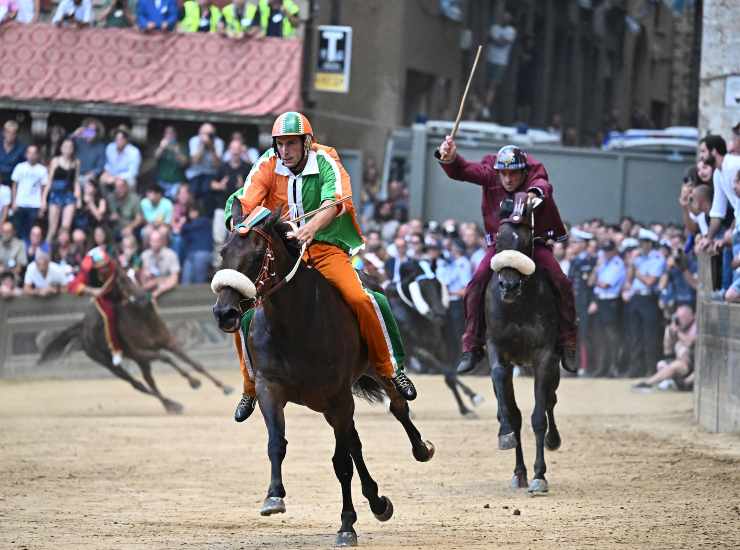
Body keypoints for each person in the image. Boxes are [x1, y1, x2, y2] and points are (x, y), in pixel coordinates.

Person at [224, 111, 417, 421]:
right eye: (280, 144)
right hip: (284, 252)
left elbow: (335, 202)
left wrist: (311, 228)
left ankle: (391, 370)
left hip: (325, 248)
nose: (284, 151)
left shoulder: (326, 160)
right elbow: (245, 201)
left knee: (362, 298)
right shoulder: (267, 163)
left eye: (291, 144)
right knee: (243, 306)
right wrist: (239, 224)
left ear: (307, 142)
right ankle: (249, 387)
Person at [436, 138, 576, 373]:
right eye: (504, 174)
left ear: (523, 171)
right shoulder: (489, 174)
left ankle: (568, 341)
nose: (508, 179)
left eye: (513, 173)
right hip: (499, 247)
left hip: (533, 245)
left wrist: (534, 193)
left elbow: (543, 185)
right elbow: (462, 170)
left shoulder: (534, 176)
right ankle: (471, 345)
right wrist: (448, 157)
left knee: (561, 281)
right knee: (476, 283)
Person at [68, 246, 124, 365]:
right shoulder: (87, 270)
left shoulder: (112, 265)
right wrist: (92, 291)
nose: (104, 268)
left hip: (115, 289)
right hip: (100, 295)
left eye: (105, 265)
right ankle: (116, 349)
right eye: (100, 267)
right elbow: (73, 286)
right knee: (109, 315)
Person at [622, 229, 666, 378]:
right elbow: (629, 281)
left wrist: (637, 271)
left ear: (649, 243)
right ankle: (635, 368)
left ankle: (650, 369)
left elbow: (650, 281)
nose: (640, 246)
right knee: (635, 336)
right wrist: (632, 266)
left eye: (643, 243)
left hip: (649, 299)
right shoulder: (638, 259)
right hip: (636, 298)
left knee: (650, 336)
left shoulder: (657, 259)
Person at [632, 305, 696, 392]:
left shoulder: (695, 326)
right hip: (678, 360)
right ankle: (669, 383)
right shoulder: (680, 326)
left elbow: (689, 342)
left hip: (691, 365)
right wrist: (670, 332)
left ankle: (648, 383)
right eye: (678, 317)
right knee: (662, 364)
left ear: (690, 316)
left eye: (682, 317)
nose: (679, 320)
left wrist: (677, 332)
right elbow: (668, 351)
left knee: (674, 366)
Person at [587, 240, 626, 377]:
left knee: (612, 337)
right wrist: (596, 268)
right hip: (600, 301)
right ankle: (601, 367)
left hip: (611, 302)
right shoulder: (602, 263)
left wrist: (595, 279)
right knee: (600, 336)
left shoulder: (617, 264)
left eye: (609, 250)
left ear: (614, 251)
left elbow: (605, 284)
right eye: (604, 250)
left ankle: (613, 367)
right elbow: (590, 281)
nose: (606, 253)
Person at [567, 229, 596, 374]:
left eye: (575, 242)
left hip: (586, 303)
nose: (571, 245)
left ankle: (585, 367)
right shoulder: (574, 260)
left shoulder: (591, 260)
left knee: (585, 335)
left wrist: (593, 301)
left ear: (584, 244)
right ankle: (574, 366)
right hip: (574, 303)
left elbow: (593, 284)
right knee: (573, 335)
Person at [42, 138, 81, 245]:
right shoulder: (55, 161)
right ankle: (45, 252)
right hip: (56, 194)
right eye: (65, 146)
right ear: (61, 148)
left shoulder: (76, 162)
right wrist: (44, 199)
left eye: (70, 147)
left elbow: (76, 181)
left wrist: (78, 198)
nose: (67, 149)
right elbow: (49, 181)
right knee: (52, 228)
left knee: (65, 228)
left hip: (68, 195)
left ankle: (62, 255)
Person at [10, 144, 47, 244]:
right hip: (20, 203)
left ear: (38, 155)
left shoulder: (42, 170)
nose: (32, 155)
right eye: (29, 153)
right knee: (17, 231)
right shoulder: (20, 167)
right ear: (26, 154)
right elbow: (14, 186)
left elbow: (44, 188)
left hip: (35, 205)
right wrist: (13, 202)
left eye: (34, 153)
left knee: (32, 232)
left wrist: (43, 203)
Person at [485, 11, 516, 113]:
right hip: (489, 58)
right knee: (485, 82)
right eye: (504, 17)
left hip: (500, 62)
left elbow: (502, 43)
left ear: (510, 20)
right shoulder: (494, 28)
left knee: (493, 85)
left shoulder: (511, 31)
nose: (505, 19)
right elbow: (490, 39)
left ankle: (486, 106)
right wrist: (498, 40)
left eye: (507, 18)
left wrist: (496, 40)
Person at [186, 123, 224, 201]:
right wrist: (202, 146)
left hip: (211, 173)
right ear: (200, 133)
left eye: (209, 134)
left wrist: (212, 148)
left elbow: (217, 165)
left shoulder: (218, 142)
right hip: (195, 172)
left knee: (207, 190)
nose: (207, 136)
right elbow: (195, 161)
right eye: (204, 133)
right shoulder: (194, 140)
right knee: (193, 191)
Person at [140, 228, 179, 300]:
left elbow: (174, 279)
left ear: (162, 241)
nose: (155, 244)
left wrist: (158, 291)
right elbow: (142, 280)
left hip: (166, 290)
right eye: (153, 241)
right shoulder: (144, 255)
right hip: (149, 288)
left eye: (157, 241)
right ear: (149, 242)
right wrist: (145, 275)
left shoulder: (171, 255)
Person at [180, 202, 212, 284]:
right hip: (190, 254)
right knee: (185, 281)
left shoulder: (205, 221)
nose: (192, 213)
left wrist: (183, 224)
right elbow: (184, 236)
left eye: (194, 211)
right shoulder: (188, 227)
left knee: (199, 281)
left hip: (202, 252)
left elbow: (190, 227)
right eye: (190, 211)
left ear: (199, 211)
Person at [153, 126, 188, 199]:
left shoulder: (181, 146)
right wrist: (161, 147)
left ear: (175, 134)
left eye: (171, 133)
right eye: (167, 133)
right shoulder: (161, 146)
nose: (169, 135)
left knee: (174, 201)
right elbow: (155, 157)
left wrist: (177, 152)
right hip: (161, 181)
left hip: (176, 182)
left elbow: (184, 163)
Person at [72, 118, 106, 184]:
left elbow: (100, 165)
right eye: (88, 130)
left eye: (93, 131)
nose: (90, 133)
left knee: (89, 187)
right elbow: (65, 145)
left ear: (97, 133)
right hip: (74, 174)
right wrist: (75, 134)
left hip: (89, 177)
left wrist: (94, 172)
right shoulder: (78, 141)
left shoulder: (101, 146)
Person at [1, 120, 26, 190]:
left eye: (13, 133)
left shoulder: (21, 148)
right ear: (4, 132)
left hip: (13, 184)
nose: (10, 135)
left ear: (16, 134)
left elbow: (25, 166)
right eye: (8, 132)